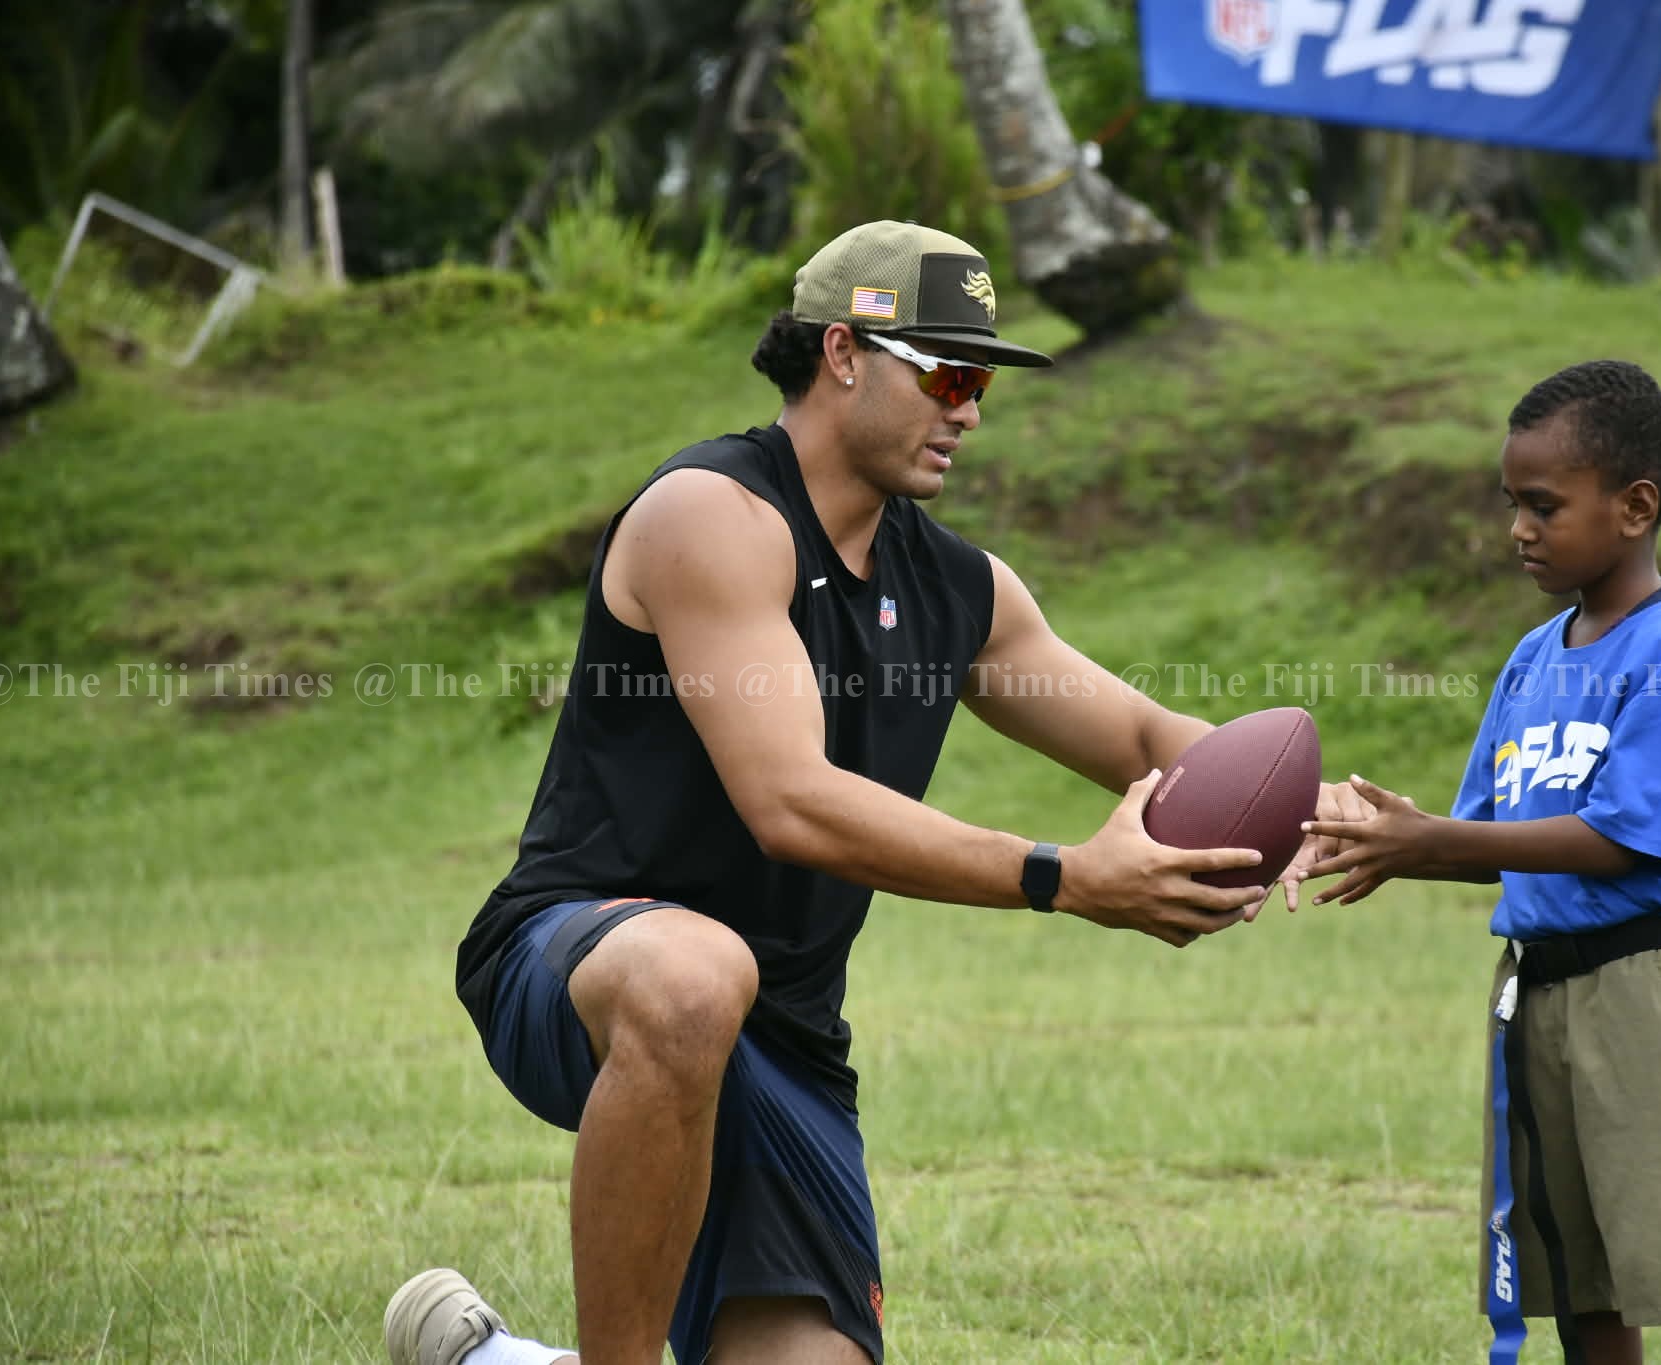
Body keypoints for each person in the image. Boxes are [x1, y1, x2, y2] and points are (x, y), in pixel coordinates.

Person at [383, 220, 1364, 1365]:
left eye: (981, 383)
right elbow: (789, 801)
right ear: (842, 353)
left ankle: (483, 1358)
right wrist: (1060, 877)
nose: (970, 412)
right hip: (583, 959)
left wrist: (1310, 810)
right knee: (695, 974)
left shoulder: (958, 589)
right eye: (946, 375)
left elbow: (1146, 736)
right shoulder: (712, 516)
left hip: (787, 1037)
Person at [1301, 361, 1661, 1364]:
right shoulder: (1532, 660)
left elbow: (1622, 839)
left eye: (1542, 505)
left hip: (1648, 991)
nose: (1518, 529)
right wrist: (1382, 838)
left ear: (1634, 507)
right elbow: (1486, 835)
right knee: (1575, 1276)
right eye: (1511, 503)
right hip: (1538, 992)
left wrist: (1433, 838)